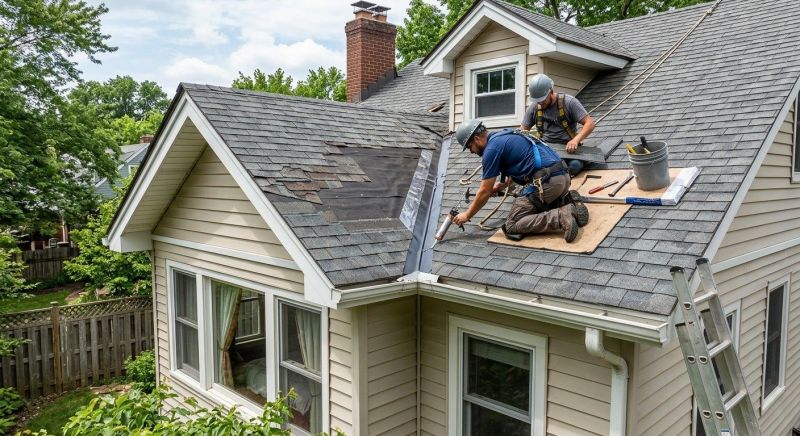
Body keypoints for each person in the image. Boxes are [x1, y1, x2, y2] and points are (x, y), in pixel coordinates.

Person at [452, 119, 589, 242]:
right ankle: (566, 201)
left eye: (470, 147)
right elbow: (525, 165)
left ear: (476, 139)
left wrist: (467, 214)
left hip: (547, 183)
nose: (471, 152)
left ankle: (561, 216)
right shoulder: (506, 135)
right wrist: (501, 186)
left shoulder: (491, 149)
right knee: (532, 208)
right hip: (562, 177)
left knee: (512, 225)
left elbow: (484, 191)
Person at [520, 74, 595, 175]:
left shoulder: (569, 102)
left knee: (574, 166)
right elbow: (523, 131)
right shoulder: (534, 107)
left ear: (551, 92)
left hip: (568, 151)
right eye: (537, 101)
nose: (540, 104)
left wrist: (575, 140)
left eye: (542, 100)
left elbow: (590, 124)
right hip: (546, 150)